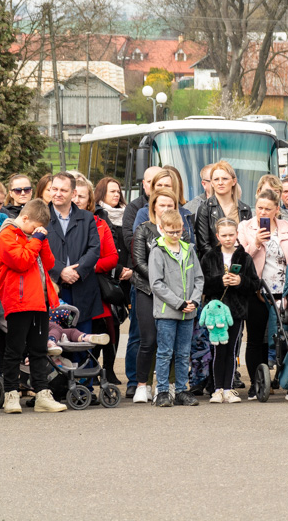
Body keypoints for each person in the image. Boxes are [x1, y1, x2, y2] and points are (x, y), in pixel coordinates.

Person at [0, 199, 66, 413]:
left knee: (38, 349)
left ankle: (43, 394)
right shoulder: (6, 235)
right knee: (14, 349)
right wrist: (36, 240)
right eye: (34, 227)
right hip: (19, 300)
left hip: (40, 299)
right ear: (24, 219)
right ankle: (11, 394)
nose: (37, 232)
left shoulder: (33, 236)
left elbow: (50, 263)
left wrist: (41, 240)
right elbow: (21, 261)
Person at [237, 189, 288, 399]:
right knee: (257, 339)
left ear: (277, 209)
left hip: (284, 291)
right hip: (257, 290)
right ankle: (258, 384)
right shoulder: (245, 227)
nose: (262, 212)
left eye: (267, 208)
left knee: (284, 337)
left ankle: (287, 380)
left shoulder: (286, 226)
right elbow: (240, 259)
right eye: (259, 207)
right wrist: (256, 243)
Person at [132, 189, 187, 403]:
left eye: (170, 206)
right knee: (149, 340)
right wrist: (159, 280)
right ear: (153, 206)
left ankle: (169, 385)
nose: (166, 209)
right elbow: (138, 262)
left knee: (172, 341)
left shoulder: (181, 231)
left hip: (174, 293)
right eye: (161, 205)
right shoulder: (143, 229)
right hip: (147, 289)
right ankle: (142, 385)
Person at [148, 209, 205, 407]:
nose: (174, 235)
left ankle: (182, 390)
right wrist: (178, 303)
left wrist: (194, 301)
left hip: (188, 312)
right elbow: (156, 284)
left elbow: (199, 278)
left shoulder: (189, 250)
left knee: (183, 353)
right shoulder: (158, 251)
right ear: (162, 229)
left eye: (178, 231)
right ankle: (162, 391)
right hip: (167, 312)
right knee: (164, 352)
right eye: (171, 232)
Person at [201, 218, 259, 403]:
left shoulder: (245, 257)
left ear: (237, 235)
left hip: (236, 311)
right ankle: (217, 388)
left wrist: (240, 281)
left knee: (232, 350)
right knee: (217, 350)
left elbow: (254, 283)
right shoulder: (209, 257)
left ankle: (228, 388)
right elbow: (202, 284)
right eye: (224, 235)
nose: (228, 239)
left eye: (231, 235)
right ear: (217, 236)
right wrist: (220, 281)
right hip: (215, 313)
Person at [72, 177, 121, 383]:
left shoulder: (99, 224)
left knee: (102, 330)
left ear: (90, 199)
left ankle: (94, 376)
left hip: (94, 285)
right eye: (73, 195)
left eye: (81, 196)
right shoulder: (52, 222)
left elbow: (112, 257)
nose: (76, 200)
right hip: (65, 284)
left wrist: (91, 266)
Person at [121, 165, 161, 399]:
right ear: (144, 184)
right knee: (139, 334)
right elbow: (130, 239)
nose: (154, 186)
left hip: (169, 285)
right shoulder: (135, 208)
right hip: (142, 280)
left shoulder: (176, 209)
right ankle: (134, 380)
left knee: (161, 336)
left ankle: (162, 382)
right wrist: (153, 272)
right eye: (150, 181)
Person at [46, 172, 102, 336]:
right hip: (53, 287)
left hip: (82, 287)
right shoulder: (42, 217)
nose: (57, 194)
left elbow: (94, 249)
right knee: (55, 339)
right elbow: (36, 251)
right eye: (54, 189)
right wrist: (60, 271)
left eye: (63, 190)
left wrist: (76, 272)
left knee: (83, 341)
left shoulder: (87, 218)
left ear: (73, 193)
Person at [195, 161, 252, 258]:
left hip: (239, 265)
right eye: (216, 179)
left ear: (234, 181)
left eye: (225, 179)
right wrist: (222, 263)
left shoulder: (245, 209)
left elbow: (248, 241)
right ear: (212, 183)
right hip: (214, 266)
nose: (220, 183)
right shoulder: (205, 208)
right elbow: (204, 245)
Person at [133, 168, 196, 241]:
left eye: (167, 185)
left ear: (174, 188)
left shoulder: (185, 215)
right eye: (159, 185)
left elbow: (191, 246)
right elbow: (138, 243)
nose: (163, 189)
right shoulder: (143, 214)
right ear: (153, 187)